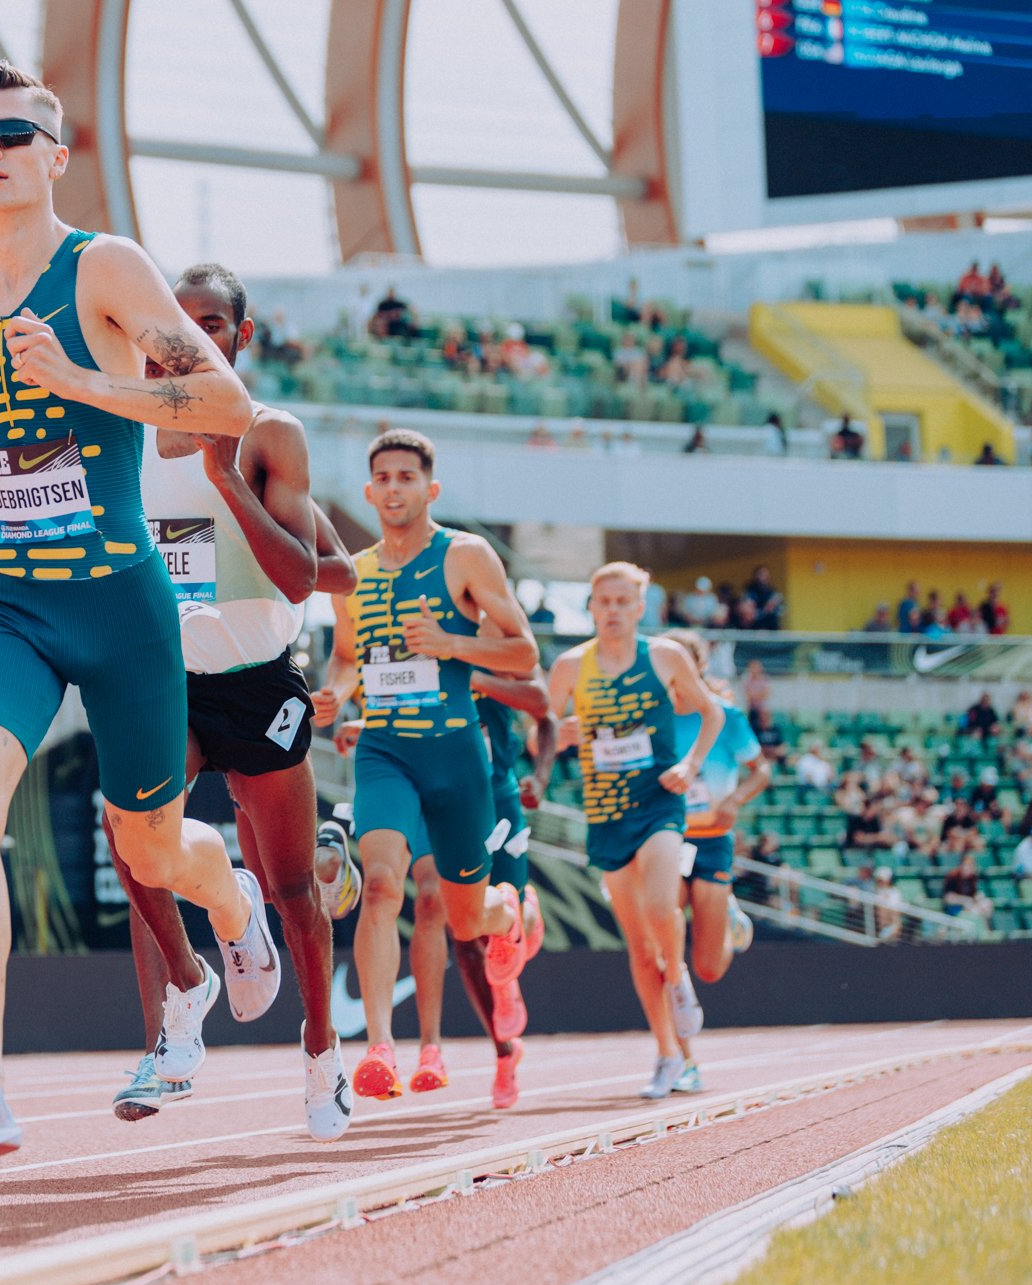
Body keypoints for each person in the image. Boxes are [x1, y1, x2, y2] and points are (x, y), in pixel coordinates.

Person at [0, 61, 263, 1162]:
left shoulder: (103, 268)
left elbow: (225, 400)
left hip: (120, 601)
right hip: (5, 602)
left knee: (152, 846)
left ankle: (233, 900)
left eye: (9, 135)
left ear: (54, 155)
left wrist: (88, 385)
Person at [108, 262, 355, 1138]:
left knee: (294, 891)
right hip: (167, 679)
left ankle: (323, 1053)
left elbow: (310, 574)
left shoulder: (267, 434)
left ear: (239, 338)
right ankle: (174, 1026)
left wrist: (224, 479)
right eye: (182, 321)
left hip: (259, 683)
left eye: (214, 323)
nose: (195, 337)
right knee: (141, 842)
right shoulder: (124, 435)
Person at [313, 430, 540, 1102]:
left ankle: (509, 913)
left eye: (406, 476)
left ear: (429, 488)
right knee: (381, 886)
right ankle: (380, 1047)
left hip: (455, 755)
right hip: (387, 751)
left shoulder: (465, 556)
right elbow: (349, 656)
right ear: (368, 489)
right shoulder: (354, 574)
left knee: (467, 919)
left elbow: (524, 651)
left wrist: (453, 643)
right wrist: (336, 691)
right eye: (382, 476)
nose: (393, 487)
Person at [547, 563, 722, 1100]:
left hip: (659, 805)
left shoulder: (664, 656)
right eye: (605, 601)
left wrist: (690, 767)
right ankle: (671, 1055)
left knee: (659, 905)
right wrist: (560, 734)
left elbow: (711, 713)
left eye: (625, 601)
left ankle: (680, 981)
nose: (614, 610)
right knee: (641, 948)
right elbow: (542, 741)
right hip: (605, 815)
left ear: (640, 608)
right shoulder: (570, 667)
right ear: (592, 607)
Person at [659, 630, 767, 1092]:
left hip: (713, 841)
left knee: (707, 967)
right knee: (664, 947)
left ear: (696, 667)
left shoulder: (725, 717)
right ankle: (684, 1059)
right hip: (663, 840)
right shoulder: (651, 718)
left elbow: (761, 770)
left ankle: (727, 915)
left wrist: (736, 799)